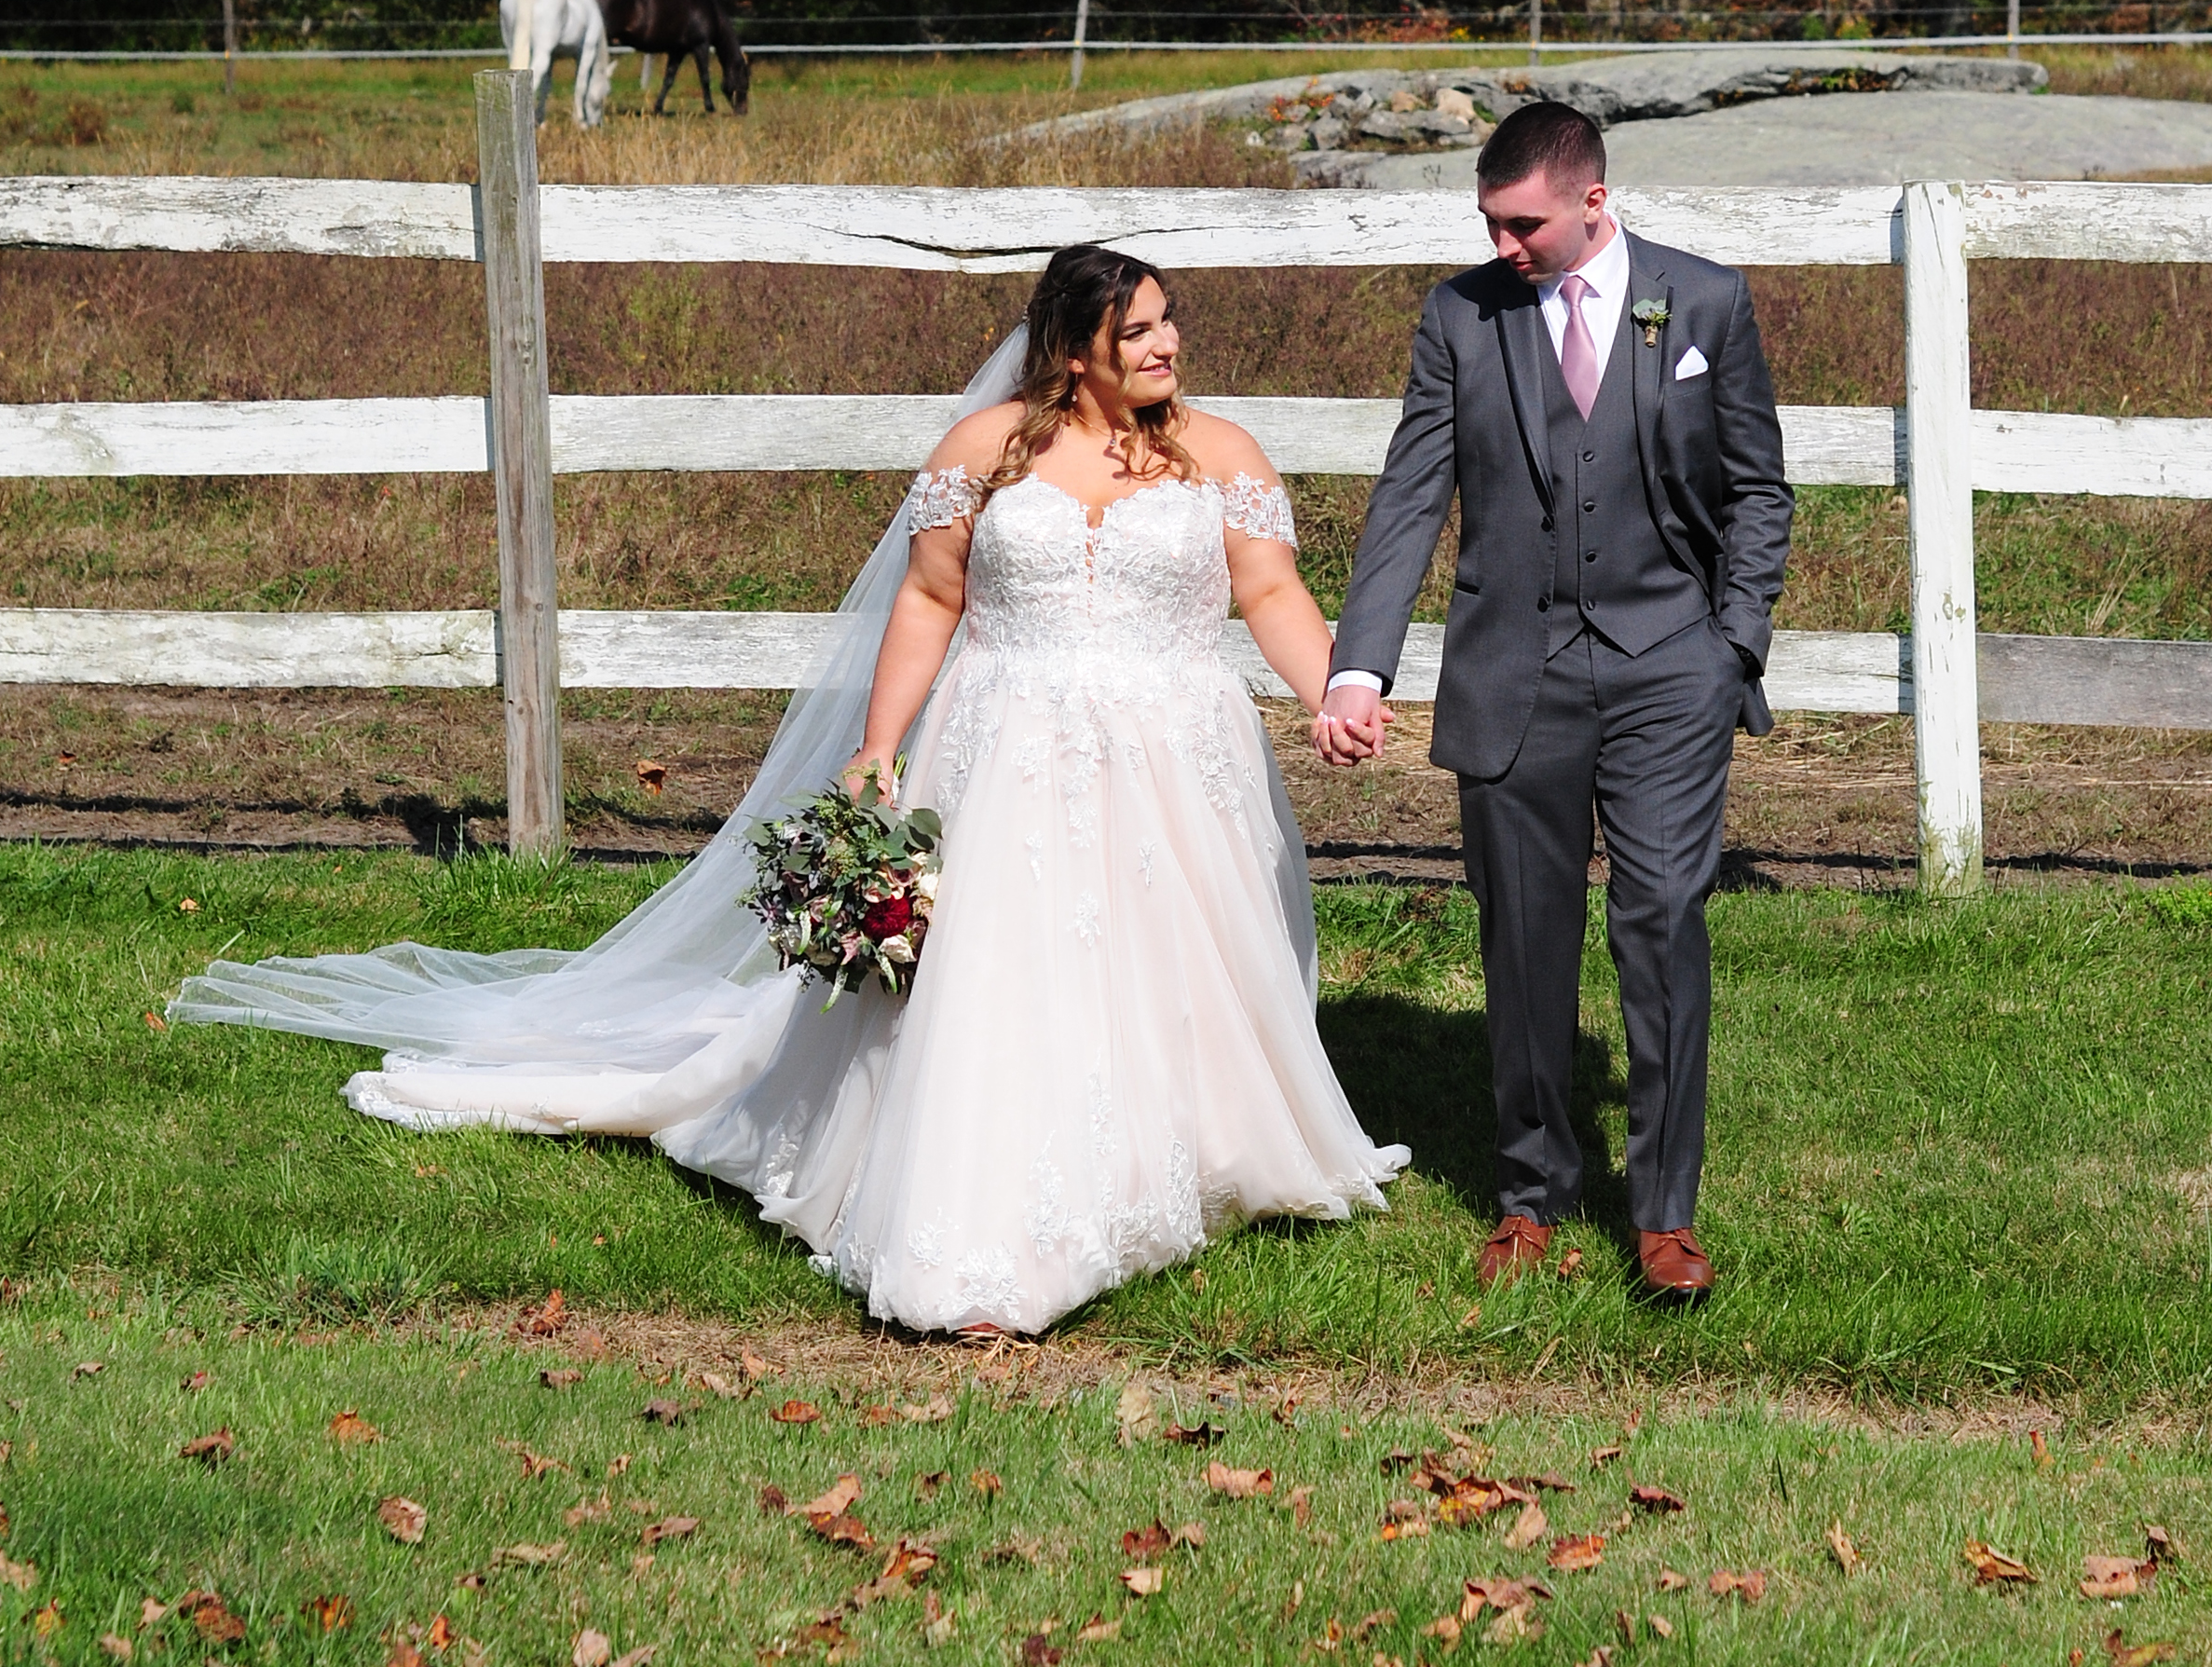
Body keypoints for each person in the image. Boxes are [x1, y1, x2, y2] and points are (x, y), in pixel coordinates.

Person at [171, 246, 1403, 1339]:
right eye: (1136, 331)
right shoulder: (987, 451)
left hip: (1176, 753)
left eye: (1169, 323)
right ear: (1074, 348)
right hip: (1006, 744)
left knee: (1172, 960)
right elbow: (931, 600)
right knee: (1002, 972)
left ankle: (1191, 1151)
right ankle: (984, 1200)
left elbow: (1272, 595)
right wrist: (876, 747)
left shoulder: (1220, 454)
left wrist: (1328, 692)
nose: (1166, 345)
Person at [1315, 99, 1791, 1303]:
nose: (1502, 245)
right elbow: (1410, 494)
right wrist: (1361, 665)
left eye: (1521, 223)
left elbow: (1758, 495)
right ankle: (1532, 1195)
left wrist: (1731, 647)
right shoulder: (1459, 318)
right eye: (1488, 222)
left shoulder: (1706, 304)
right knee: (1523, 941)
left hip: (1670, 670)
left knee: (1662, 923)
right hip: (1512, 673)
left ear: (1593, 200)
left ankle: (1665, 1213)